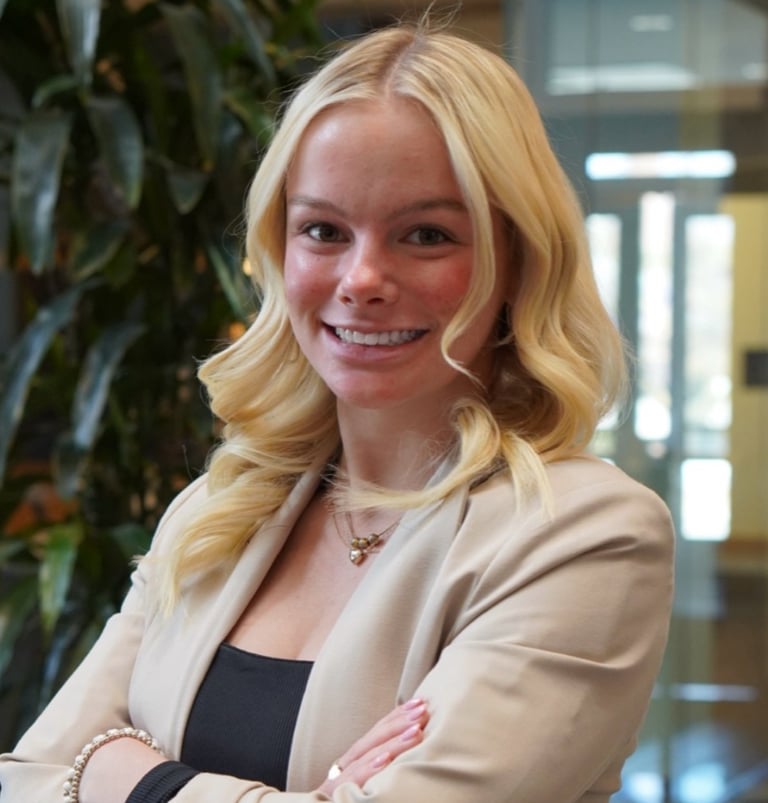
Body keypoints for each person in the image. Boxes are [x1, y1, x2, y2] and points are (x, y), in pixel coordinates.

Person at [0, 20, 675, 803]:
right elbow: (25, 777)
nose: (361, 278)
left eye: (426, 234)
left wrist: (131, 775)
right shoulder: (218, 511)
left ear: (516, 263)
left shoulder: (584, 533)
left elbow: (75, 772)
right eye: (323, 229)